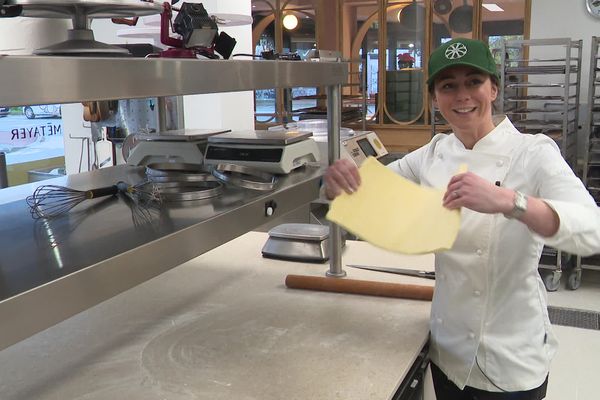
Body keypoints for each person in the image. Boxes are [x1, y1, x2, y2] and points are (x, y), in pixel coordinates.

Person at [324, 38, 600, 400]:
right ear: (435, 98)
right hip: (447, 347)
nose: (462, 95)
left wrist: (508, 201)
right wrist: (341, 181)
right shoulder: (435, 151)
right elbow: (372, 194)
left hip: (510, 356)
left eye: (474, 81)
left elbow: (592, 231)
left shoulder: (533, 153)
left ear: (494, 88)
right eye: (448, 86)